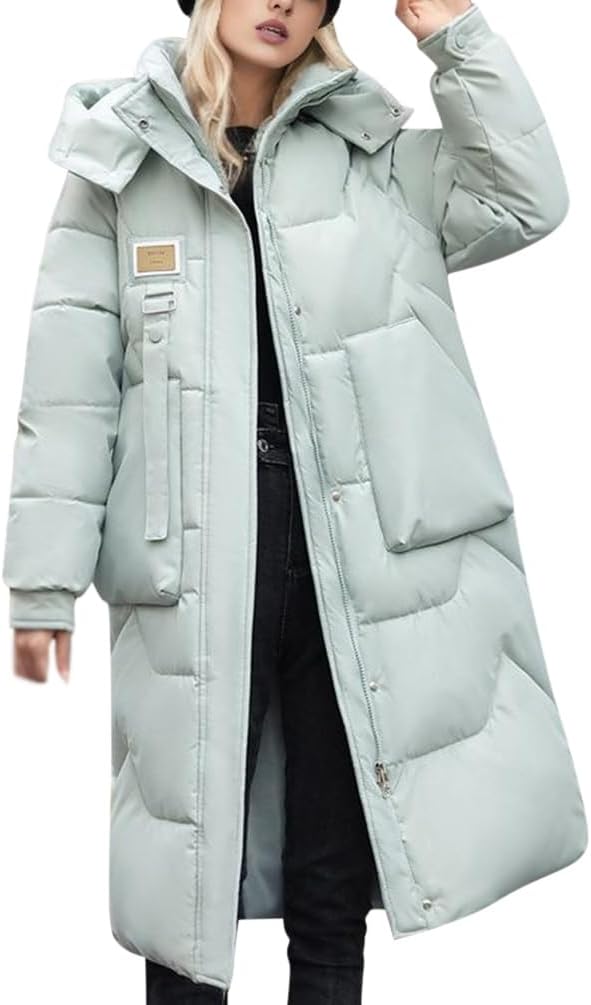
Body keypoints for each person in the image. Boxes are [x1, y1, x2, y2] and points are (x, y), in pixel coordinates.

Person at [3, 1, 587, 1003]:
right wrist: (41, 585)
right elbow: (69, 389)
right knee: (186, 875)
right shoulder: (119, 163)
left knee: (333, 868)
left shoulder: (373, 156)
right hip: (192, 550)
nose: (280, 1)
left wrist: (453, 34)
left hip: (352, 547)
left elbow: (525, 197)